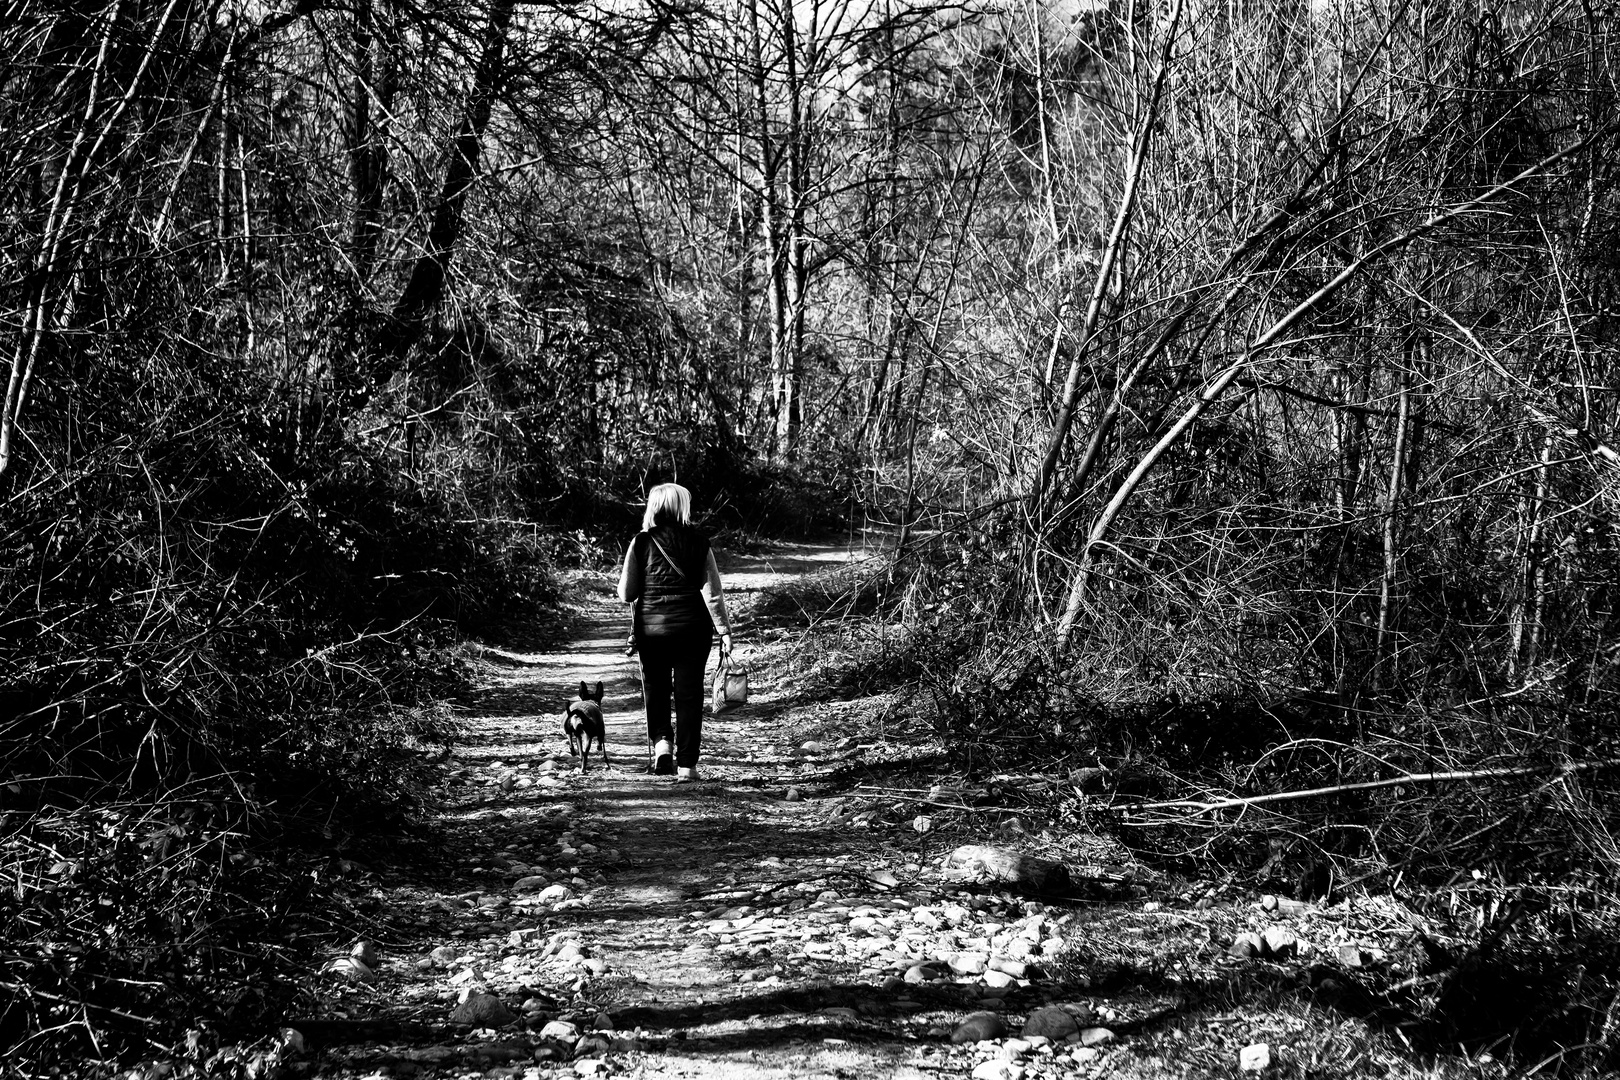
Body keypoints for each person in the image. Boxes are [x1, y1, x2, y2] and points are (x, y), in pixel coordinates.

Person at [617, 483, 733, 781]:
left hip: (652, 630)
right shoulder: (699, 542)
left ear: (654, 507)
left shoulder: (641, 543)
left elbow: (627, 593)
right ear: (683, 507)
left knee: (655, 691)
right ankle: (687, 766)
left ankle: (662, 748)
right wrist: (725, 631)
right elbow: (713, 594)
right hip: (692, 631)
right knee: (689, 696)